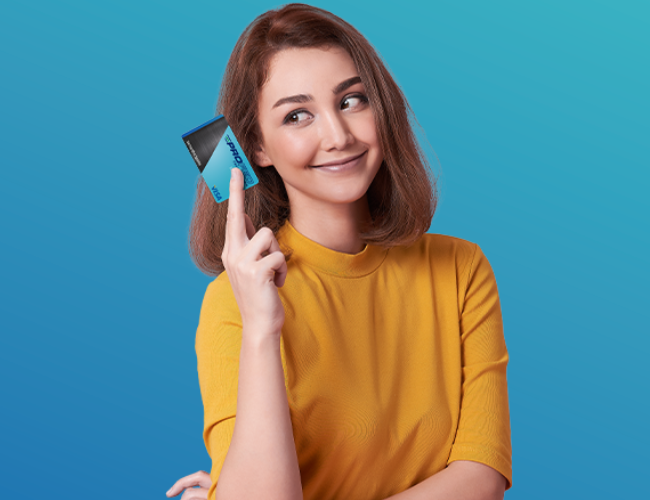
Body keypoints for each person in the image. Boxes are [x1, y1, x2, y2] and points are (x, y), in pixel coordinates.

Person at [167, 4, 512, 500]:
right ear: (258, 147)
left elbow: (482, 480)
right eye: (297, 115)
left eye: (352, 100)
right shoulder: (233, 304)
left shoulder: (460, 270)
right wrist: (263, 327)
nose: (338, 136)